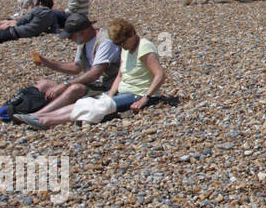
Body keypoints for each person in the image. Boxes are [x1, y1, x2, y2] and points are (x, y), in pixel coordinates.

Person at [16, 18, 166, 129]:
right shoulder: (126, 49)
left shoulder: (145, 47)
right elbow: (120, 74)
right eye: (117, 44)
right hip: (123, 90)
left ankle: (46, 121)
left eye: (122, 43)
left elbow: (160, 75)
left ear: (133, 34)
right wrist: (111, 93)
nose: (121, 47)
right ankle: (40, 116)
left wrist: (145, 98)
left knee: (97, 107)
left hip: (138, 94)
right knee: (86, 102)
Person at [0, 13, 120, 122]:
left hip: (106, 87)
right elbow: (76, 68)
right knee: (43, 84)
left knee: (74, 89)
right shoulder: (84, 41)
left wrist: (66, 84)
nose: (69, 40)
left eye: (70, 36)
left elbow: (95, 73)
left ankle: (35, 117)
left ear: (83, 31)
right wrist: (48, 63)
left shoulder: (105, 41)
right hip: (91, 83)